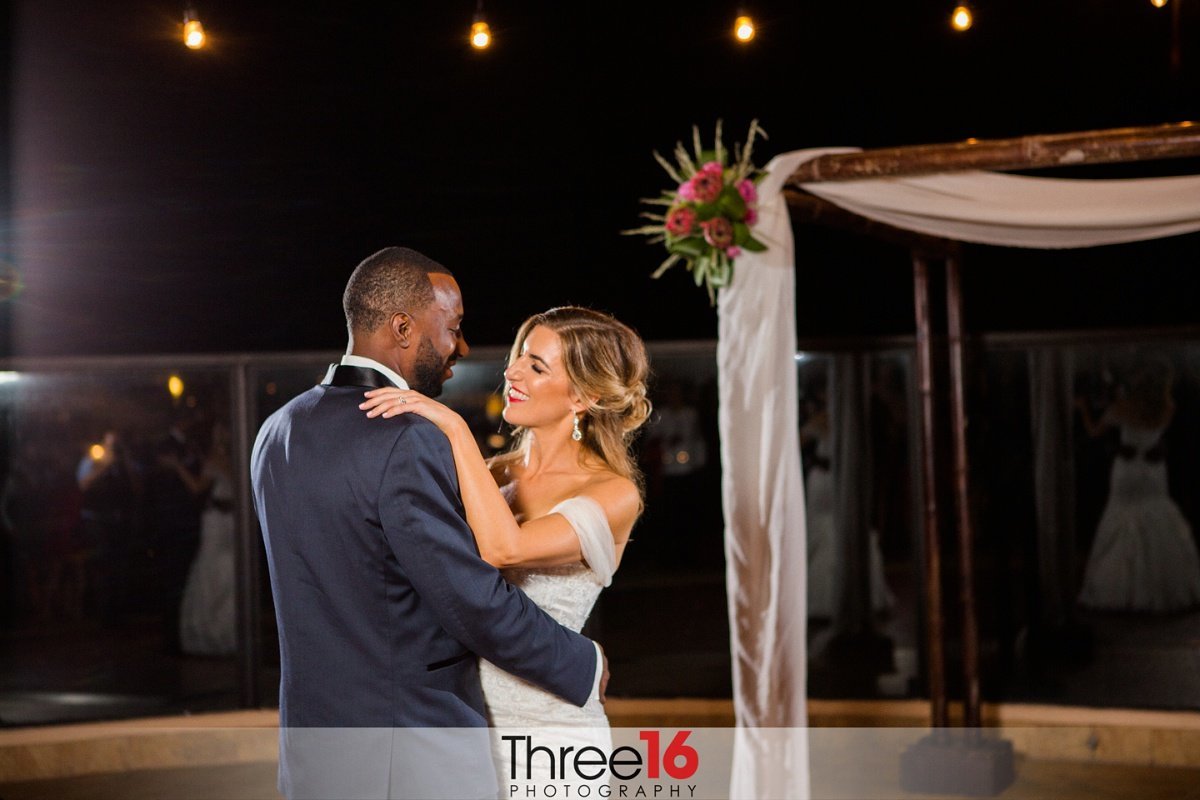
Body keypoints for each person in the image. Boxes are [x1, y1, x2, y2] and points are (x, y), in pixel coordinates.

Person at [251, 247, 605, 800]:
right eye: (453, 328)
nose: (459, 347)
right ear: (402, 327)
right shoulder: (407, 437)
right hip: (409, 756)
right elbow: (471, 599)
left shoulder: (276, 431)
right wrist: (582, 663)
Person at [360, 305, 650, 792]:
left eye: (536, 366)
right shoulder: (493, 475)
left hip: (551, 733)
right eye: (519, 356)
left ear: (584, 396)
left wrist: (453, 429)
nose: (511, 371)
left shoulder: (614, 493)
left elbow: (504, 549)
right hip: (465, 720)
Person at [1076, 362, 1200, 611]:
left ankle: (1118, 588)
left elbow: (1093, 431)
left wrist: (1082, 409)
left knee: (1122, 516)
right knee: (1157, 514)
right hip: (1153, 469)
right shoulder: (1168, 408)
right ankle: (1160, 584)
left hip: (1128, 469)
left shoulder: (1122, 407)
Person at [178, 421, 236, 656]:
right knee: (211, 568)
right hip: (217, 520)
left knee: (228, 571)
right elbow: (199, 489)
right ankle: (208, 631)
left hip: (229, 521)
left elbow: (199, 488)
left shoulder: (232, 459)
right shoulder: (215, 461)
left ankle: (225, 632)